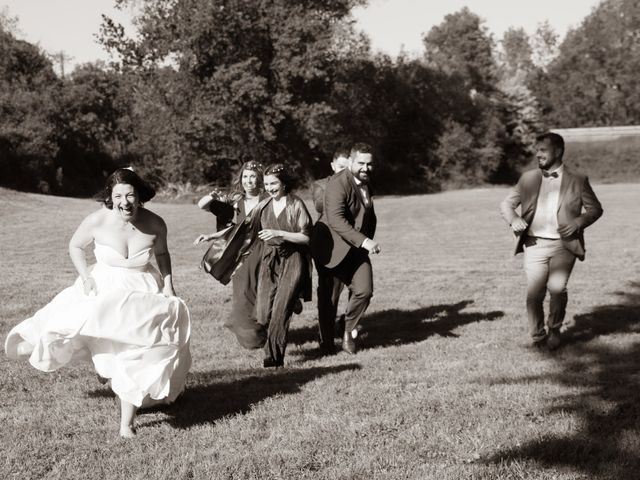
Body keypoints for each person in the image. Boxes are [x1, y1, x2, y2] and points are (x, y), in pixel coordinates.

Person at [4, 168, 191, 438]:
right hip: (104, 289)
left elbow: (162, 254)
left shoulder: (156, 223)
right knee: (70, 332)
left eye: (130, 194)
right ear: (110, 198)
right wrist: (85, 276)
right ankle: (105, 372)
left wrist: (168, 283)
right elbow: (75, 246)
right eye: (118, 196)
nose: (124, 201)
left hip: (141, 292)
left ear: (140, 196)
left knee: (133, 354)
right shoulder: (96, 221)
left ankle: (126, 422)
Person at [500, 132, 603, 350]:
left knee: (557, 289)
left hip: (563, 246)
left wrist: (578, 222)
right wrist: (514, 219)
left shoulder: (578, 180)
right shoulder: (528, 178)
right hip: (534, 244)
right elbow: (506, 205)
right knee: (534, 294)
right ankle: (538, 336)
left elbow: (595, 209)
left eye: (543, 150)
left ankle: (554, 329)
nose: (538, 154)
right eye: (537, 150)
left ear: (557, 151)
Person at [311, 142, 379, 354]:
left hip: (356, 250)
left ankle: (348, 329)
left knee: (364, 291)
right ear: (350, 161)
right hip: (330, 249)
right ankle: (326, 342)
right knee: (328, 300)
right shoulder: (337, 184)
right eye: (360, 163)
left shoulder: (367, 182)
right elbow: (336, 220)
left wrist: (364, 242)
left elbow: (368, 215)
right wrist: (364, 241)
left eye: (369, 164)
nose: (365, 168)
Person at [194, 161, 268, 348]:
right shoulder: (237, 201)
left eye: (252, 176)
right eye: (245, 176)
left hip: (266, 249)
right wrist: (210, 235)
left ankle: (267, 326)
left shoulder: (268, 199)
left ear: (260, 178)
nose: (249, 181)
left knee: (264, 292)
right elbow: (203, 206)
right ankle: (251, 336)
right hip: (243, 253)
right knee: (243, 293)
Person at [254, 164, 312, 367]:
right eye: (266, 184)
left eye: (274, 183)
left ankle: (273, 359)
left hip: (293, 260)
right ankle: (292, 299)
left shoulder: (296, 204)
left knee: (280, 312)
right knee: (262, 313)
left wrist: (279, 234)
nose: (269, 188)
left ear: (284, 183)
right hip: (269, 260)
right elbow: (245, 230)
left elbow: (306, 237)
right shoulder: (263, 204)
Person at [311, 147, 352, 354]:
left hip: (350, 242)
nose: (345, 172)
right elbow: (321, 206)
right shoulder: (320, 185)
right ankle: (326, 340)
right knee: (329, 293)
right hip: (326, 243)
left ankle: (345, 323)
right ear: (333, 166)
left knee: (358, 289)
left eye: (348, 168)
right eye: (341, 167)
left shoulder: (357, 183)